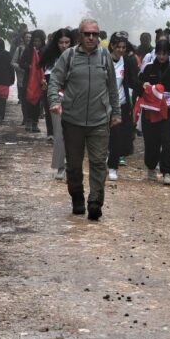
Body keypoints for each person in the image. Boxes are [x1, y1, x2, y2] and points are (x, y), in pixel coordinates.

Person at [47, 18, 121, 220]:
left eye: (94, 34)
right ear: (80, 35)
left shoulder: (105, 56)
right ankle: (77, 197)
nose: (91, 37)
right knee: (73, 164)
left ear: (98, 36)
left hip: (99, 120)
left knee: (98, 162)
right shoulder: (69, 56)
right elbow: (54, 80)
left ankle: (95, 201)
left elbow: (113, 88)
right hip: (72, 120)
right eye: (87, 34)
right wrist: (54, 101)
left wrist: (116, 112)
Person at [138, 40, 170, 185]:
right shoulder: (148, 69)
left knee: (167, 140)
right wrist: (143, 85)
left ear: (169, 54)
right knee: (151, 141)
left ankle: (167, 171)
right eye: (159, 54)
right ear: (155, 54)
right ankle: (151, 167)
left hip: (169, 111)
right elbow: (140, 87)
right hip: (151, 112)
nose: (161, 57)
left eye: (164, 54)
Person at [40, 29, 74, 179]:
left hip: (77, 99)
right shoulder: (52, 59)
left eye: (67, 42)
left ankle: (71, 165)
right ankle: (60, 166)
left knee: (75, 135)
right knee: (59, 134)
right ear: (56, 43)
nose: (64, 45)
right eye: (61, 42)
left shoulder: (79, 57)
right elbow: (50, 82)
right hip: (58, 99)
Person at [107, 32, 138, 181]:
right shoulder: (103, 60)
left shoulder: (127, 61)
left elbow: (133, 80)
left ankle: (113, 167)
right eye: (118, 46)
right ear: (112, 46)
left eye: (123, 47)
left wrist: (144, 87)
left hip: (121, 105)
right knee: (102, 137)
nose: (120, 50)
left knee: (117, 137)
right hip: (102, 105)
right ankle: (102, 162)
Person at [18, 30, 47, 132]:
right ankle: (28, 120)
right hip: (29, 79)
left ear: (42, 41)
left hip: (41, 80)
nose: (36, 43)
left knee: (38, 102)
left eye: (38, 41)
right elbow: (21, 63)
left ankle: (35, 123)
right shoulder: (28, 50)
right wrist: (29, 66)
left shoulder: (45, 51)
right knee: (28, 100)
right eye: (34, 41)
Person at [9, 23, 29, 122]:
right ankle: (22, 97)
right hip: (19, 63)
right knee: (20, 82)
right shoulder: (18, 42)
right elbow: (13, 52)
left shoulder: (15, 39)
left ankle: (21, 97)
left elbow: (11, 51)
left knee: (20, 82)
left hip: (18, 64)